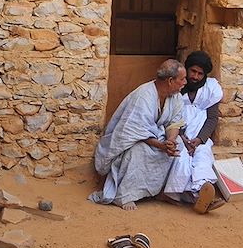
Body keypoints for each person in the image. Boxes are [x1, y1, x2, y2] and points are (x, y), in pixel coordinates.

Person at [90, 59, 187, 211]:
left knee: (179, 146)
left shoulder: (176, 97)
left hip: (158, 137)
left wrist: (170, 141)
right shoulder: (144, 96)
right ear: (170, 80)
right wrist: (161, 146)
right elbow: (135, 131)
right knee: (138, 150)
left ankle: (163, 191)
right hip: (135, 141)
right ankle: (123, 196)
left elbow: (175, 122)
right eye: (182, 79)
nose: (185, 83)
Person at [164, 50, 224, 213]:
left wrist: (199, 139)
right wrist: (182, 138)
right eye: (193, 71)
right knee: (181, 156)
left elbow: (212, 119)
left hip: (200, 136)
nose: (195, 77)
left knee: (203, 155)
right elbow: (169, 117)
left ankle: (201, 193)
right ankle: (187, 196)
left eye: (200, 74)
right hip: (177, 135)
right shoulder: (176, 87)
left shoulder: (210, 89)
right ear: (187, 69)